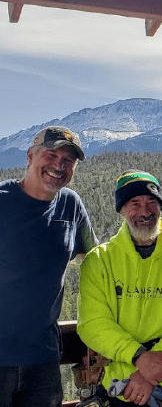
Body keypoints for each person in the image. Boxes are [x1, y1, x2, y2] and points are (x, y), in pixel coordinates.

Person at [77, 170, 162, 406]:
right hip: (114, 384)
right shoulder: (99, 262)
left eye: (151, 202)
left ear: (161, 207)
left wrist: (148, 376)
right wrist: (140, 360)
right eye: (135, 203)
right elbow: (92, 324)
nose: (145, 212)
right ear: (122, 209)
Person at [0, 126, 97, 407]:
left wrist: (100, 333)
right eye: (51, 154)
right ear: (30, 156)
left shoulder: (71, 205)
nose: (59, 165)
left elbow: (95, 262)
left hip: (43, 360)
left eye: (68, 161)